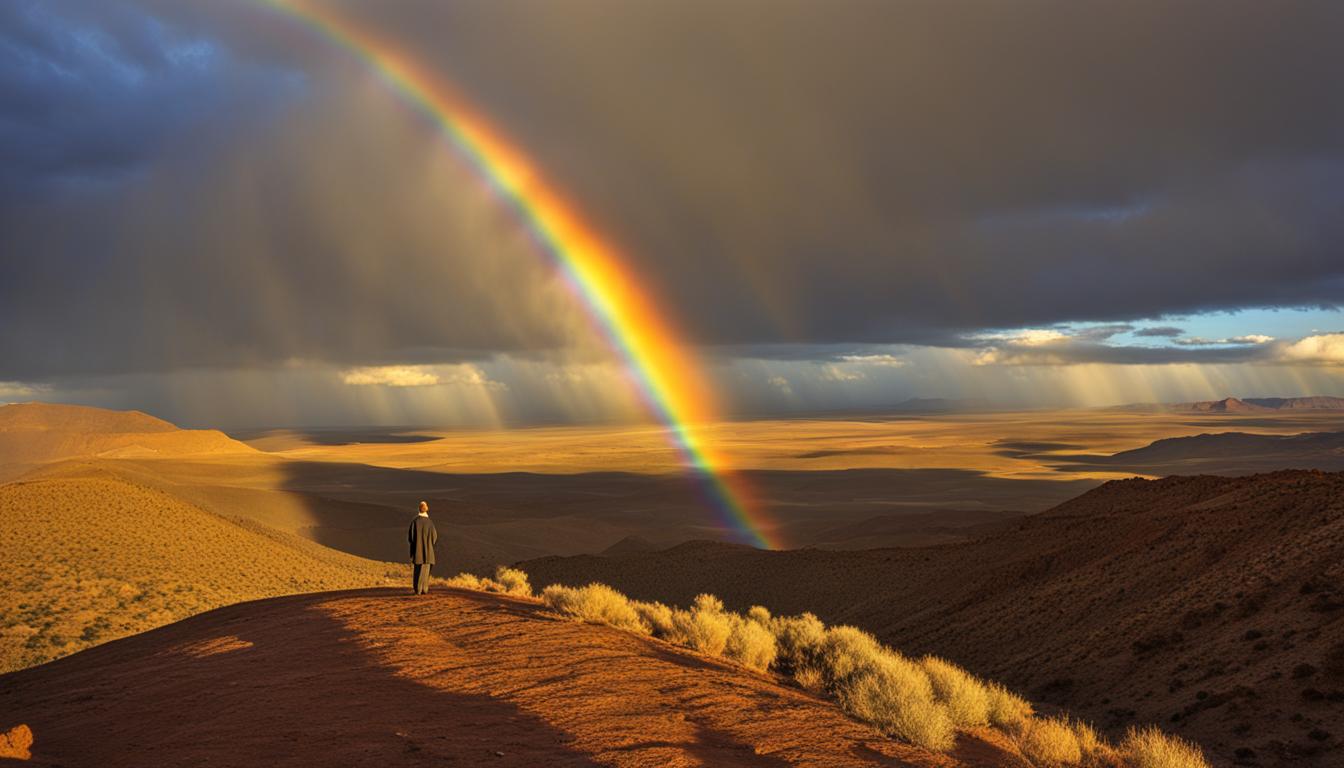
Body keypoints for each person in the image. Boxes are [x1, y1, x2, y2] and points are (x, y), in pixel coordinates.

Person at [407, 501, 438, 595]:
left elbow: (411, 538)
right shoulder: (430, 523)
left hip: (418, 552)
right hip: (429, 553)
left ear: (419, 509)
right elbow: (434, 538)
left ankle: (418, 590)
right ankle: (424, 589)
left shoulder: (415, 522)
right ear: (426, 509)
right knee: (426, 571)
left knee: (418, 571)